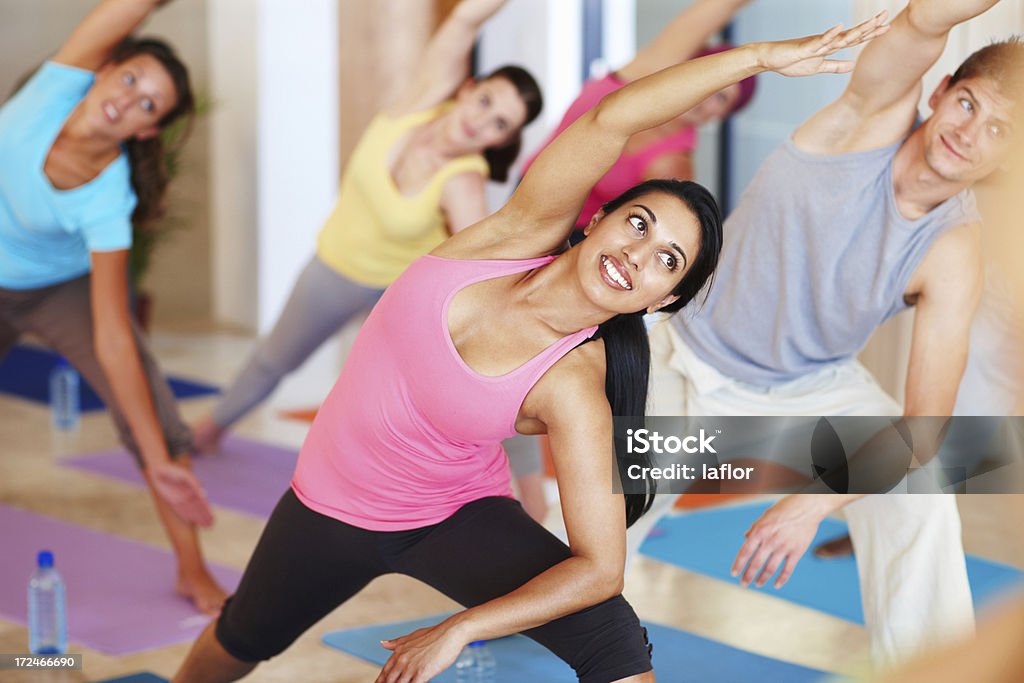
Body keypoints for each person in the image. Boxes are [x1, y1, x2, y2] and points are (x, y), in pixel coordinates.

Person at [171, 18, 887, 683]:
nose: (637, 255)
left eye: (667, 261)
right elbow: (614, 116)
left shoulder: (575, 389)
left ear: (660, 301)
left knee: (613, 637)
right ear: (599, 214)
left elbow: (602, 568)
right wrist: (760, 57)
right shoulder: (509, 236)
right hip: (326, 502)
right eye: (638, 224)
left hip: (450, 518)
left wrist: (463, 626)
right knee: (240, 639)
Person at [627, 0, 1022, 668]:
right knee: (593, 525)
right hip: (690, 355)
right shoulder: (866, 121)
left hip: (810, 388)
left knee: (916, 494)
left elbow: (924, 426)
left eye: (1001, 130)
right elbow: (923, 22)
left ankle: (929, 669)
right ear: (940, 90)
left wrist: (813, 505)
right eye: (969, 104)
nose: (970, 133)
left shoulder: (954, 249)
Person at [189, 0, 542, 458]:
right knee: (273, 359)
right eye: (486, 101)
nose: (480, 121)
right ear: (467, 87)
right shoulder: (416, 103)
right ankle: (209, 429)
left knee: (400, 398)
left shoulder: (464, 180)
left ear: (502, 140)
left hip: (393, 295)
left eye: (499, 123)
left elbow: (478, 265)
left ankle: (489, 479)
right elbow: (463, 18)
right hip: (336, 265)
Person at [0, 0, 222, 613]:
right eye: (130, 79)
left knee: (150, 410)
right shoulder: (54, 86)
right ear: (104, 69)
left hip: (55, 289)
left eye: (148, 104)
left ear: (147, 130)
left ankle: (191, 568)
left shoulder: (107, 201)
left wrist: (156, 456)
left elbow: (113, 337)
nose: (128, 100)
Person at [521, 0, 758, 230]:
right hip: (526, 184)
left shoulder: (673, 161)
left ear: (721, 116)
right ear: (693, 66)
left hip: (563, 234)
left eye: (722, 98)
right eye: (713, 77)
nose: (710, 92)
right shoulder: (646, 72)